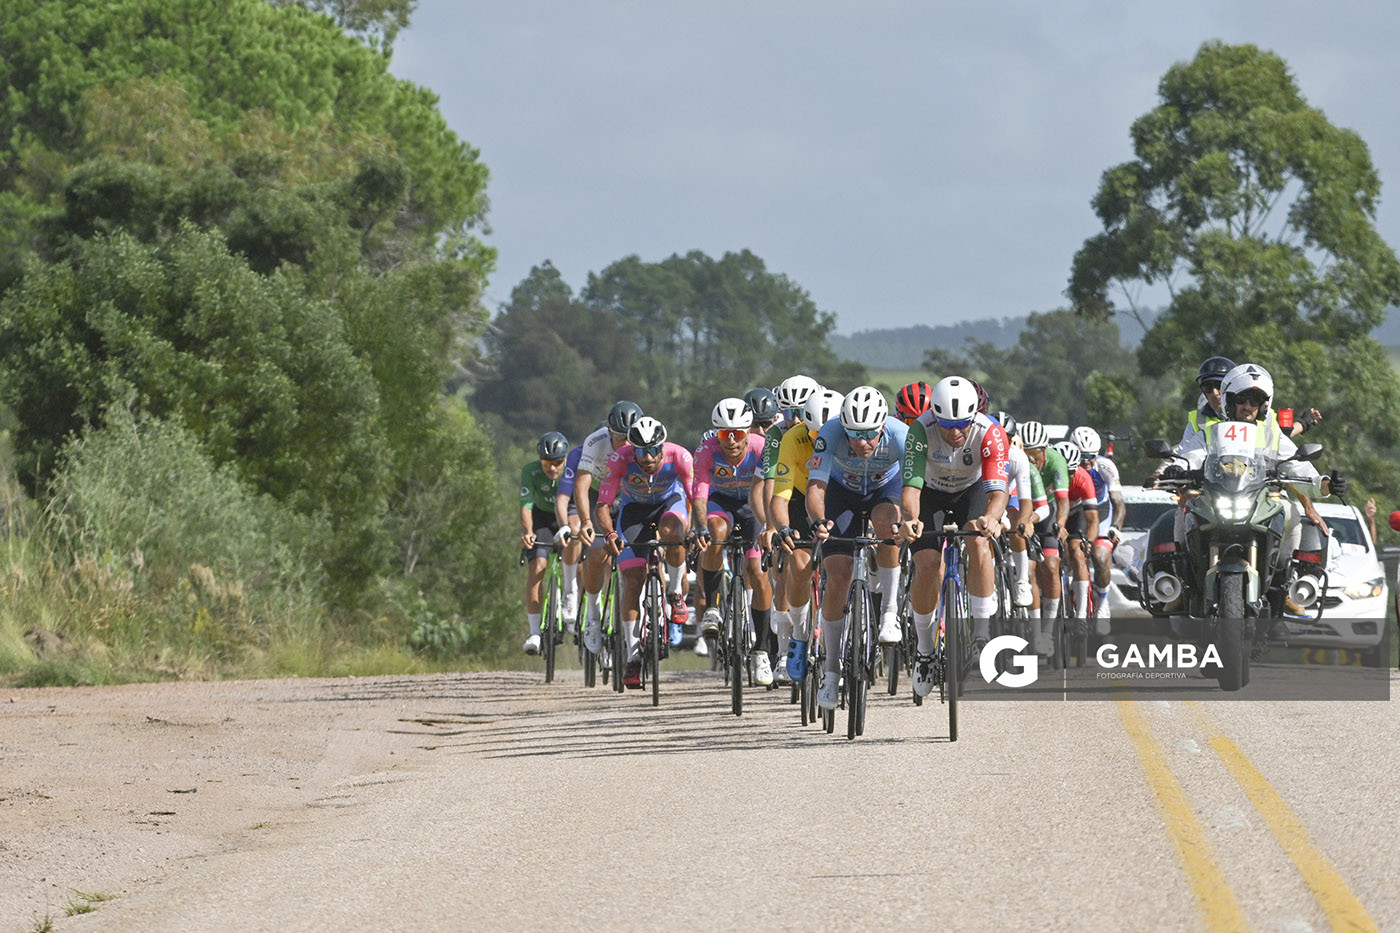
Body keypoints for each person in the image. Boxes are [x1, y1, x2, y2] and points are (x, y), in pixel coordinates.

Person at [897, 377, 1010, 697]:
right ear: (935, 416)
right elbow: (910, 490)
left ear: (973, 416)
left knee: (978, 540)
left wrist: (992, 518)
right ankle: (924, 651)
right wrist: (910, 520)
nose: (955, 432)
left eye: (962, 424)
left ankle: (981, 636)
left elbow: (998, 491)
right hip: (930, 493)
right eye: (947, 425)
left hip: (970, 492)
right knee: (928, 563)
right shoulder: (920, 429)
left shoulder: (990, 432)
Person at [807, 386, 909, 709]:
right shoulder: (830, 432)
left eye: (869, 435)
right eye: (853, 436)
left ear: (882, 427)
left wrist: (908, 520)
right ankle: (832, 672)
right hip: (842, 492)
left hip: (885, 489)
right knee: (837, 575)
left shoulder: (900, 434)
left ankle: (890, 612)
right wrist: (819, 520)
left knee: (887, 523)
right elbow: (816, 487)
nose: (862, 443)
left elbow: (913, 487)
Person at [595, 416, 696, 688]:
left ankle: (675, 593)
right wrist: (610, 534)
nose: (648, 457)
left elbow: (696, 497)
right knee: (632, 579)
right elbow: (603, 505)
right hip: (634, 513)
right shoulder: (619, 459)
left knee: (673, 533)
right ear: (632, 449)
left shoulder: (680, 456)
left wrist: (697, 530)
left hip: (669, 506)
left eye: (653, 450)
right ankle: (633, 656)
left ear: (663, 447)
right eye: (641, 451)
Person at [693, 398, 775, 685]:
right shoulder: (706, 451)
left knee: (757, 569)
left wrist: (769, 527)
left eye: (737, 434)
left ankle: (762, 652)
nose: (730, 441)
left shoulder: (761, 448)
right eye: (723, 434)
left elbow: (769, 491)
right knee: (715, 534)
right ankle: (713, 607)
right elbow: (700, 495)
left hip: (753, 508)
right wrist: (700, 527)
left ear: (748, 431)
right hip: (721, 503)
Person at [770, 387, 844, 683]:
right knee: (798, 565)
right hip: (803, 498)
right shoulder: (793, 437)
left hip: (839, 496)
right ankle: (799, 636)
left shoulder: (851, 437)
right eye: (813, 436)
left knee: (843, 569)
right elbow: (780, 496)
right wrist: (782, 527)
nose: (820, 443)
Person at [520, 432, 570, 655]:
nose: (552, 468)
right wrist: (529, 532)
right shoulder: (529, 472)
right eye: (547, 463)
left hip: (568, 516)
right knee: (538, 566)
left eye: (557, 463)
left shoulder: (572, 470)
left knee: (576, 556)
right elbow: (526, 505)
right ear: (540, 460)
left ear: (565, 460)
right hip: (541, 519)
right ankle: (534, 633)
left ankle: (575, 606)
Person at [1072, 426, 1123, 634]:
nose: (1086, 461)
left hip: (1100, 512)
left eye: (1090, 456)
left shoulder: (1105, 466)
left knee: (1100, 558)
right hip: (1074, 510)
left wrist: (1115, 527)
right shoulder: (1065, 463)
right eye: (1081, 456)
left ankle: (1102, 604)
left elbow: (1118, 502)